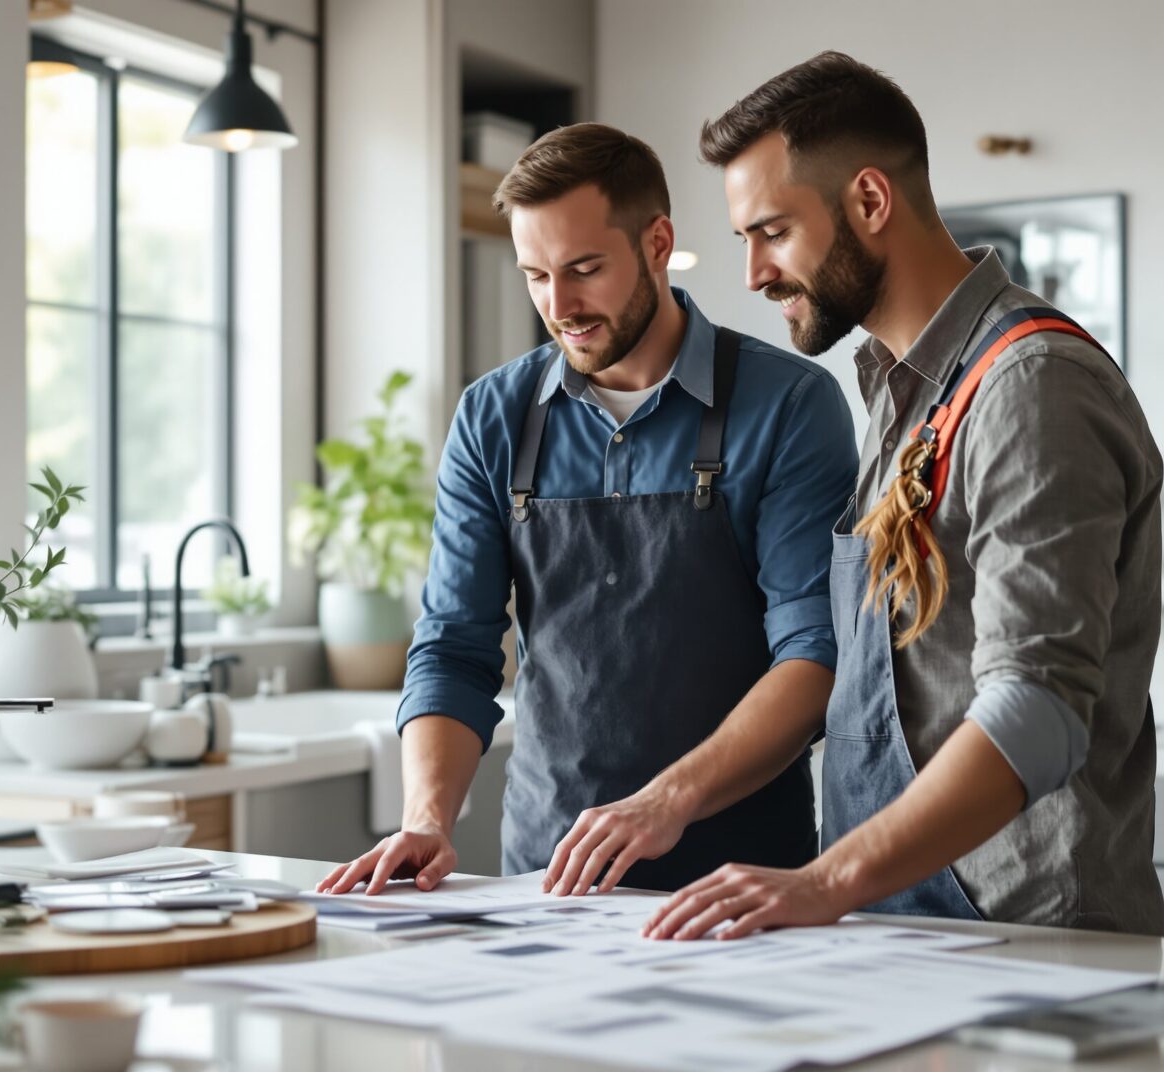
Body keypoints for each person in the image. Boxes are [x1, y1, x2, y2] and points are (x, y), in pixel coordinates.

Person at [645, 52, 1164, 939]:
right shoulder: (901, 394)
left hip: (1026, 945)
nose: (754, 276)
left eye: (772, 231)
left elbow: (1036, 708)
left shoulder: (1030, 385)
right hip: (904, 928)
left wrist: (821, 881)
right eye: (744, 241)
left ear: (871, 203)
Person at [315, 122, 857, 896]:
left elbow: (814, 654)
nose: (558, 305)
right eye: (534, 275)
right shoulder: (493, 417)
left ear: (658, 242)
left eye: (584, 269)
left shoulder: (790, 405)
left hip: (743, 882)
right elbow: (453, 648)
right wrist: (427, 820)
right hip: (550, 875)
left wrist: (664, 802)